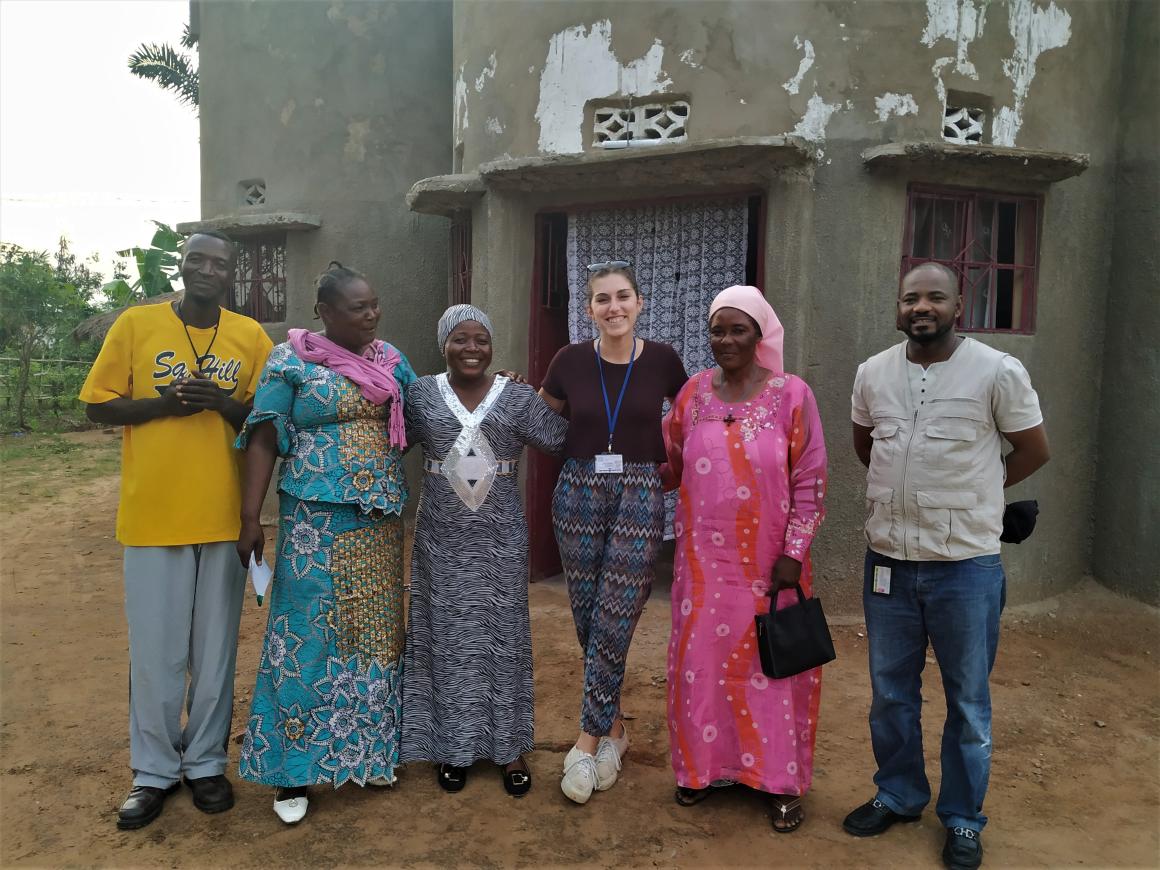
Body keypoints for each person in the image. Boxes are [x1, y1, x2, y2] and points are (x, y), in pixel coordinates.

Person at [844, 262, 1050, 869]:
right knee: (890, 694)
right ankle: (899, 793)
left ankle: (962, 817)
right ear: (898, 307)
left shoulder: (997, 371)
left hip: (965, 567)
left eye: (935, 297)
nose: (921, 307)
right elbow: (865, 446)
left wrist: (984, 487)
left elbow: (1034, 448)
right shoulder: (873, 373)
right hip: (888, 561)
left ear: (959, 306)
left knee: (968, 702)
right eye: (911, 298)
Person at [79, 230, 273, 830]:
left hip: (222, 517)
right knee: (155, 653)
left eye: (220, 263)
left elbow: (268, 419)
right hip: (152, 516)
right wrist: (164, 404)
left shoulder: (250, 337)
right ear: (181, 266)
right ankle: (154, 772)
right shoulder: (136, 326)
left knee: (215, 653)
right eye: (197, 260)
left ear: (232, 273)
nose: (207, 270)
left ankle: (207, 764)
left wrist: (222, 403)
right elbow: (97, 404)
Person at [234, 262, 415, 824]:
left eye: (374, 304)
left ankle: (368, 753)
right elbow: (264, 437)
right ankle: (292, 771)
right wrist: (250, 516)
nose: (372, 314)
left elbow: (425, 414)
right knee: (304, 635)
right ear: (325, 313)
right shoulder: (289, 360)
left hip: (378, 521)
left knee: (374, 636)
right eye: (359, 308)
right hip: (313, 522)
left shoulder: (391, 360)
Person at [662, 285, 827, 832]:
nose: (726, 339)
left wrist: (793, 552)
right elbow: (670, 461)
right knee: (701, 665)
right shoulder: (692, 394)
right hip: (702, 567)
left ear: (760, 335)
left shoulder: (792, 395)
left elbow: (810, 480)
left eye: (738, 329)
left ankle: (779, 782)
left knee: (770, 668)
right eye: (718, 330)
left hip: (769, 567)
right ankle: (702, 770)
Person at [400, 304, 568, 797]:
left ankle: (509, 748)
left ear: (492, 346)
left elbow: (559, 439)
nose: (471, 348)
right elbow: (387, 442)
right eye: (460, 339)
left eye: (481, 340)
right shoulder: (420, 395)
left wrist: (581, 391)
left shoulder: (516, 396)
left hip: (499, 541)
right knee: (446, 639)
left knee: (503, 639)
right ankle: (451, 748)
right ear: (443, 344)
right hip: (441, 541)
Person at [538, 261, 688, 804]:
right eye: (602, 299)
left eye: (623, 296)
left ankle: (586, 739)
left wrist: (675, 469)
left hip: (640, 491)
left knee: (616, 612)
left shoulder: (665, 360)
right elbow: (541, 421)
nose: (614, 307)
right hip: (577, 488)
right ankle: (616, 730)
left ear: (640, 302)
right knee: (587, 616)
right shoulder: (569, 360)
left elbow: (692, 419)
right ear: (590, 309)